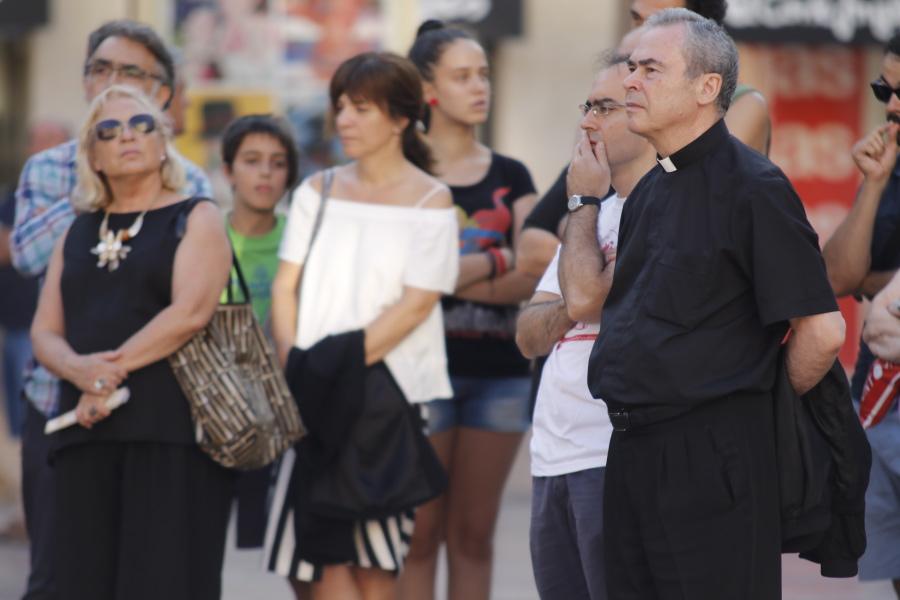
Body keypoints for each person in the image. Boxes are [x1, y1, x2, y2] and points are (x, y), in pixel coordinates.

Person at [568, 10, 844, 597]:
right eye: (631, 68)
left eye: (649, 69)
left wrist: (746, 408)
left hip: (713, 460)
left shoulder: (755, 188)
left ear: (707, 87)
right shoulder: (649, 190)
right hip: (631, 452)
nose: (631, 82)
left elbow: (821, 331)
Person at [11, 19, 213, 600]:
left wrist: (107, 372)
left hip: (160, 414)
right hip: (60, 405)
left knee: (156, 578)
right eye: (99, 69)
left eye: (129, 74)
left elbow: (192, 309)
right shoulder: (50, 170)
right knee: (60, 577)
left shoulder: (192, 190)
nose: (109, 80)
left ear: (164, 99)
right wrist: (97, 181)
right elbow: (27, 255)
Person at [265, 51, 458, 600]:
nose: (344, 119)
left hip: (387, 399)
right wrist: (295, 366)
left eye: (361, 108)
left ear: (401, 118)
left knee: (377, 564)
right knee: (308, 557)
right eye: (341, 106)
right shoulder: (316, 191)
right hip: (308, 391)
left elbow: (415, 306)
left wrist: (330, 369)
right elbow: (285, 287)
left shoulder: (430, 199)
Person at [399, 21, 538, 600]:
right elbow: (397, 283)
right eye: (463, 76)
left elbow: (535, 275)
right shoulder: (404, 174)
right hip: (418, 375)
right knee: (419, 537)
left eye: (482, 74)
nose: (479, 86)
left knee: (475, 537)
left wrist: (443, 280)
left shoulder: (512, 175)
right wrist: (496, 261)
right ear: (428, 89)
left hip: (499, 376)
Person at [515, 52, 657, 600]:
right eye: (587, 106)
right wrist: (577, 298)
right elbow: (529, 333)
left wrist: (580, 200)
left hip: (611, 453)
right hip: (553, 453)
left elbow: (582, 292)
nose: (587, 122)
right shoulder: (598, 212)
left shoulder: (659, 204)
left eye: (604, 107)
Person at [516, 0, 769, 280]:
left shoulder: (739, 120)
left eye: (649, 69)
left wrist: (586, 238)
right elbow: (531, 248)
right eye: (637, 21)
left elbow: (687, 226)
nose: (629, 80)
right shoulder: (611, 146)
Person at [822, 31, 900, 597]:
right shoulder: (891, 162)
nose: (892, 106)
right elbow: (840, 277)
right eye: (884, 89)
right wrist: (871, 187)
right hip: (881, 392)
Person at [220, 114, 300, 550]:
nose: (266, 172)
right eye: (252, 161)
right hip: (212, 407)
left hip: (278, 410)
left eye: (277, 162)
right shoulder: (204, 233)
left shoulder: (300, 239)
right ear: (228, 169)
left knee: (274, 544)